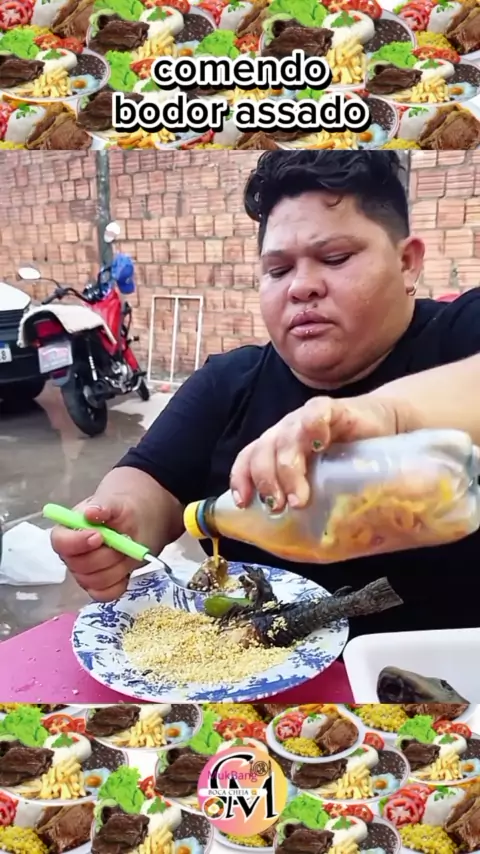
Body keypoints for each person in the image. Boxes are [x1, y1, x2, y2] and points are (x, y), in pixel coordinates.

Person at [52, 151, 480, 638]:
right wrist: (119, 522)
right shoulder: (228, 383)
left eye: (335, 258)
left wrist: (388, 413)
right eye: (278, 270)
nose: (302, 287)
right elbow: (149, 482)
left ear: (407, 263)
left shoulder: (459, 335)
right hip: (261, 672)